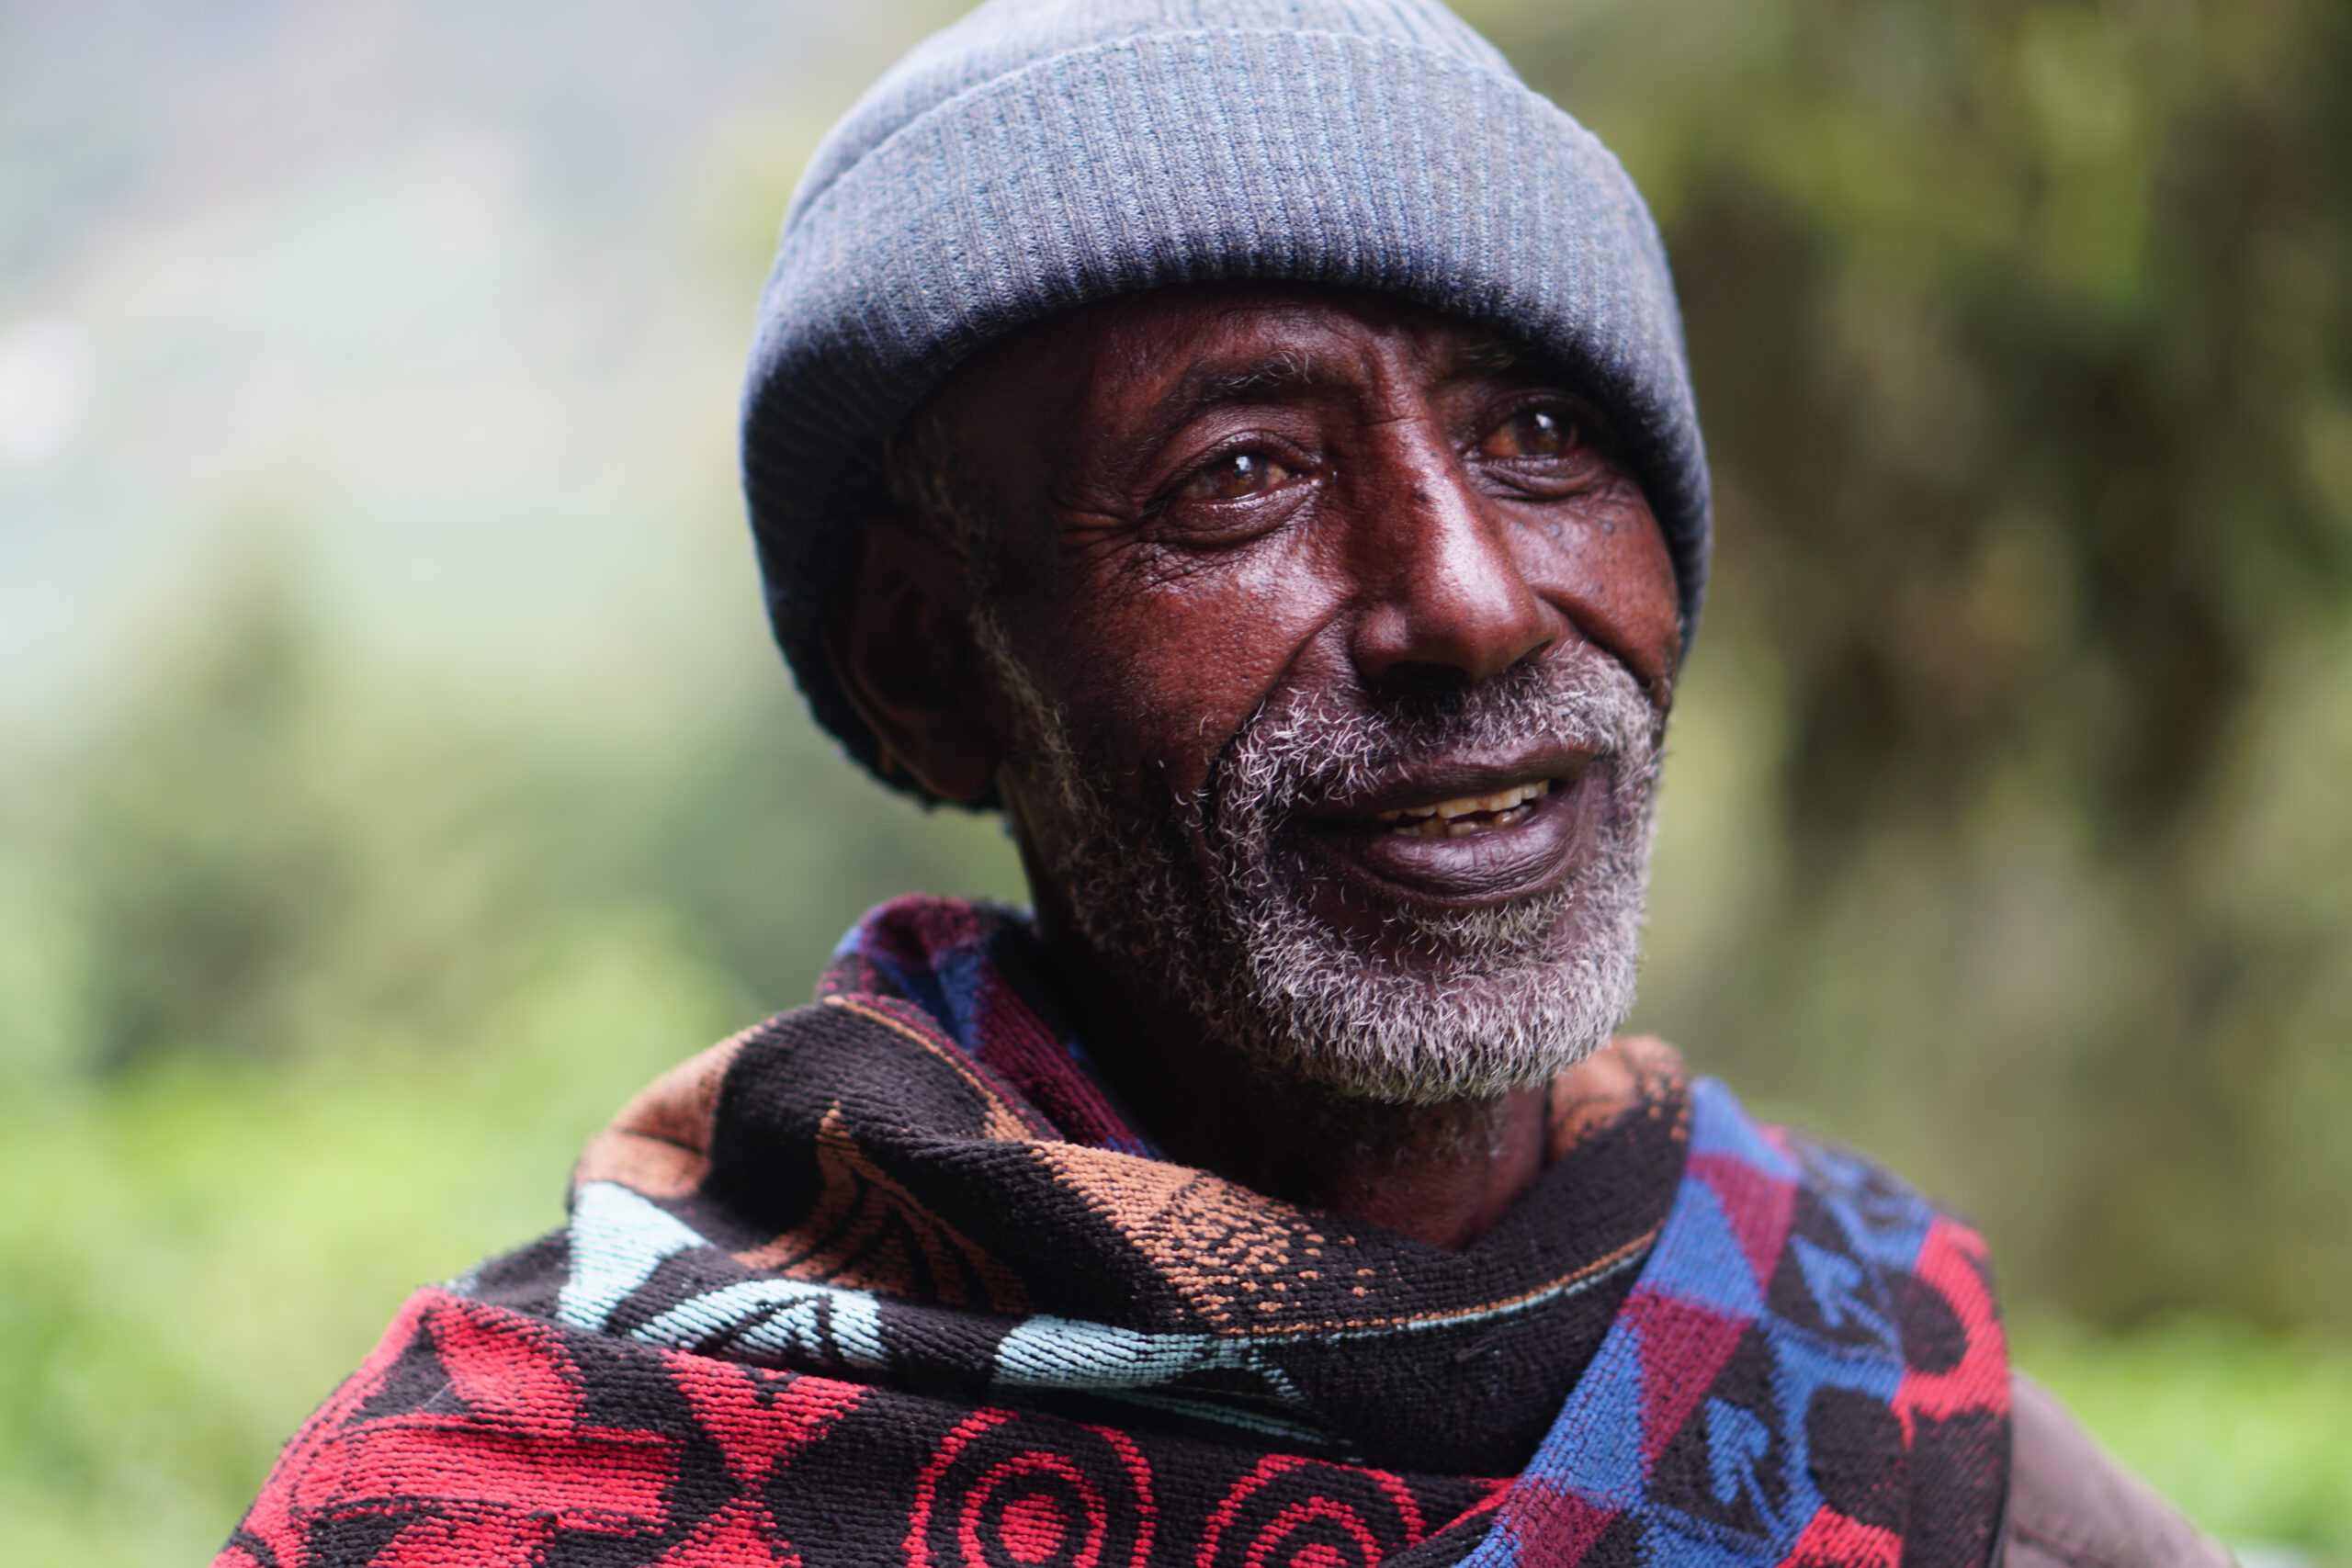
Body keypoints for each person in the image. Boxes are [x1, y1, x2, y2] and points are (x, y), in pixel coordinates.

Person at [218, 1, 2228, 1563]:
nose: (1466, 598)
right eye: (1239, 474)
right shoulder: (520, 1485)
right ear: (934, 666)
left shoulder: (1882, 1402)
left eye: (1539, 431)